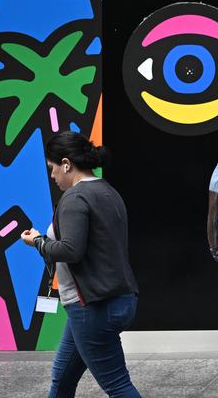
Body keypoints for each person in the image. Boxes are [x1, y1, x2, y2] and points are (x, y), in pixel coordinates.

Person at [21, 131, 141, 398]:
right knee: (62, 378)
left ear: (66, 164)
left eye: (52, 168)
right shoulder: (108, 191)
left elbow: (71, 250)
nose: (52, 176)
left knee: (118, 386)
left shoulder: (75, 198)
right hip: (117, 298)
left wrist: (38, 242)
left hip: (91, 307)